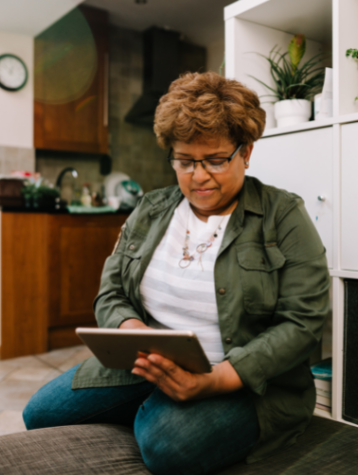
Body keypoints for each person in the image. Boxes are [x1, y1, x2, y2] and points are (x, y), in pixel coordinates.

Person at [23, 71, 330, 475]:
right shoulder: (150, 209)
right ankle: (156, 403)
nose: (198, 176)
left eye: (216, 160)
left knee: (167, 447)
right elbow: (110, 292)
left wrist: (217, 380)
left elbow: (302, 322)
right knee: (40, 413)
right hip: (145, 363)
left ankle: (165, 413)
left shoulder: (283, 215)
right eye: (184, 161)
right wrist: (130, 330)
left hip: (242, 380)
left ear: (247, 152)